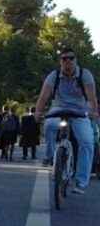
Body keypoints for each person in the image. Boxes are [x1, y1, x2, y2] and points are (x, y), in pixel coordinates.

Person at [35, 46, 99, 194]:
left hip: (79, 110)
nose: (68, 62)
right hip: (59, 107)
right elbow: (43, 96)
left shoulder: (85, 74)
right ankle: (51, 156)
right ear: (60, 61)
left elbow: (91, 95)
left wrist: (94, 112)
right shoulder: (54, 75)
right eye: (65, 59)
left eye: (71, 58)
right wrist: (38, 112)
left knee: (87, 141)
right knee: (50, 125)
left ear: (76, 60)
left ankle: (81, 181)